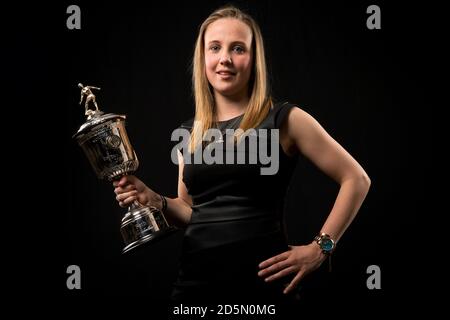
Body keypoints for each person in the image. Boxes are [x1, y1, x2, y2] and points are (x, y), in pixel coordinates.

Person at [113, 5, 370, 309]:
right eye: (215, 48)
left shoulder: (285, 119)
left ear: (253, 59)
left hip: (264, 287)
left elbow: (356, 178)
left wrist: (321, 248)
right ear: (203, 58)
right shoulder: (188, 133)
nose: (225, 58)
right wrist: (156, 200)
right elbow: (192, 211)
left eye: (238, 49)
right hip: (195, 287)